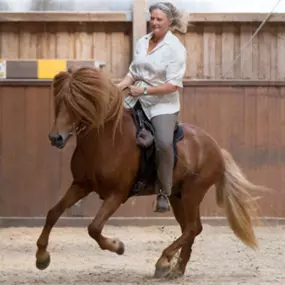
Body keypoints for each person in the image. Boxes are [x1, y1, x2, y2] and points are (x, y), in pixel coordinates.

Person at [117, 2, 188, 213]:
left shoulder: (176, 49)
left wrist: (145, 92)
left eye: (159, 19)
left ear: (169, 22)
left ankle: (164, 191)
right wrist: (120, 86)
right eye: (152, 18)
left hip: (162, 106)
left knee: (164, 143)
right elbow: (134, 72)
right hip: (136, 98)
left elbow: (173, 85)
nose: (154, 22)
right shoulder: (142, 42)